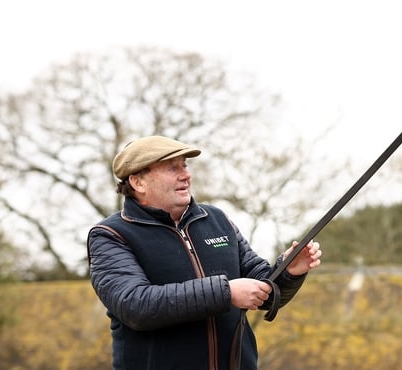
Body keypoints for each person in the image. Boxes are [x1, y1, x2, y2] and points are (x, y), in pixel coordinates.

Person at [87, 135, 322, 370]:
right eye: (172, 168)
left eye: (184, 166)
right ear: (138, 182)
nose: (186, 175)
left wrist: (289, 270)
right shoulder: (110, 235)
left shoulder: (217, 219)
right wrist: (226, 292)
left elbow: (263, 289)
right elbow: (136, 306)